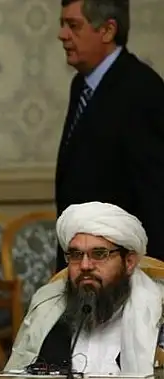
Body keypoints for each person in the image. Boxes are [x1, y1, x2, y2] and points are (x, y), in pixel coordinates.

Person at [54, 0, 164, 270]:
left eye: (73, 25)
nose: (62, 35)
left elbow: (154, 196)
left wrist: (151, 274)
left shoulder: (142, 89)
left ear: (107, 30)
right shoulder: (81, 85)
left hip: (122, 271)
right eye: (62, 24)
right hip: (82, 265)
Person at [5, 202, 164, 376]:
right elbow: (17, 378)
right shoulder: (46, 305)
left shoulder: (158, 311)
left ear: (129, 262)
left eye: (99, 254)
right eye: (76, 255)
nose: (85, 265)